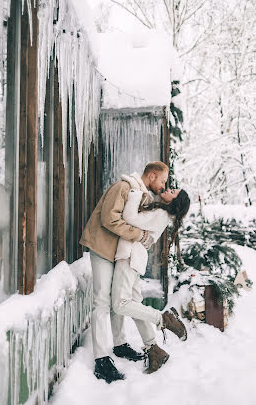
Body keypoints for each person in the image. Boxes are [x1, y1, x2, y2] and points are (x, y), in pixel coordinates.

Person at [80, 161, 169, 383]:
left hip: (116, 253)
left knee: (119, 300)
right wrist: (139, 235)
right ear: (152, 175)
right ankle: (101, 360)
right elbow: (109, 218)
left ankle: (119, 345)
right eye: (163, 180)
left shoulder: (141, 195)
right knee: (101, 302)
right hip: (101, 248)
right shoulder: (123, 187)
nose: (164, 185)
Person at [112, 186, 190, 374]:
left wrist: (134, 195)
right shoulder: (161, 212)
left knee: (120, 304)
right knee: (135, 305)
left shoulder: (161, 213)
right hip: (134, 258)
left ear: (173, 202)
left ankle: (162, 318)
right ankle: (154, 350)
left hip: (130, 257)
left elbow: (130, 219)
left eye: (173, 192)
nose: (169, 188)